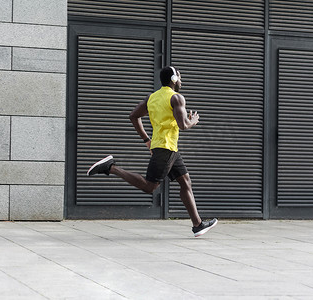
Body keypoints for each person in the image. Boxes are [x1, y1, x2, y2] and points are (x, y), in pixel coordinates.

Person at [87, 66, 217, 237]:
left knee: (185, 182)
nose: (182, 81)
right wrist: (193, 121)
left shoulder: (152, 98)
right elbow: (183, 125)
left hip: (167, 148)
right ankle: (111, 167)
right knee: (149, 186)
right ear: (174, 80)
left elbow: (133, 116)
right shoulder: (177, 98)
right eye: (180, 77)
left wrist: (147, 140)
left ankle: (198, 224)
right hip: (166, 148)